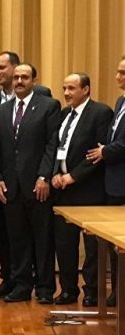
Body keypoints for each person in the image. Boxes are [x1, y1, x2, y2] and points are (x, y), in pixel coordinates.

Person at [0, 64, 60, 304]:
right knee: (17, 239)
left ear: (34, 80)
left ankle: (45, 287)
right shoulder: (1, 110)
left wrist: (44, 176)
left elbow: (52, 144)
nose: (19, 81)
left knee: (43, 239)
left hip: (37, 185)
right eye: (17, 77)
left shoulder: (48, 106)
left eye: (25, 77)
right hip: (10, 187)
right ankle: (22, 285)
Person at [52, 73, 113, 306]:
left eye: (72, 88)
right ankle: (68, 290)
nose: (66, 93)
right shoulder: (64, 114)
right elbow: (57, 147)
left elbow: (97, 154)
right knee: (64, 243)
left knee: (92, 247)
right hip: (63, 189)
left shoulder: (100, 112)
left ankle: (92, 291)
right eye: (64, 88)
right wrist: (55, 174)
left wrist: (74, 176)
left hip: (89, 189)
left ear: (86, 90)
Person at [86, 55, 125, 307]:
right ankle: (118, 292)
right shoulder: (121, 101)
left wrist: (105, 151)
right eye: (118, 71)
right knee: (114, 244)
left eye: (123, 73)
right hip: (113, 182)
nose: (118, 77)